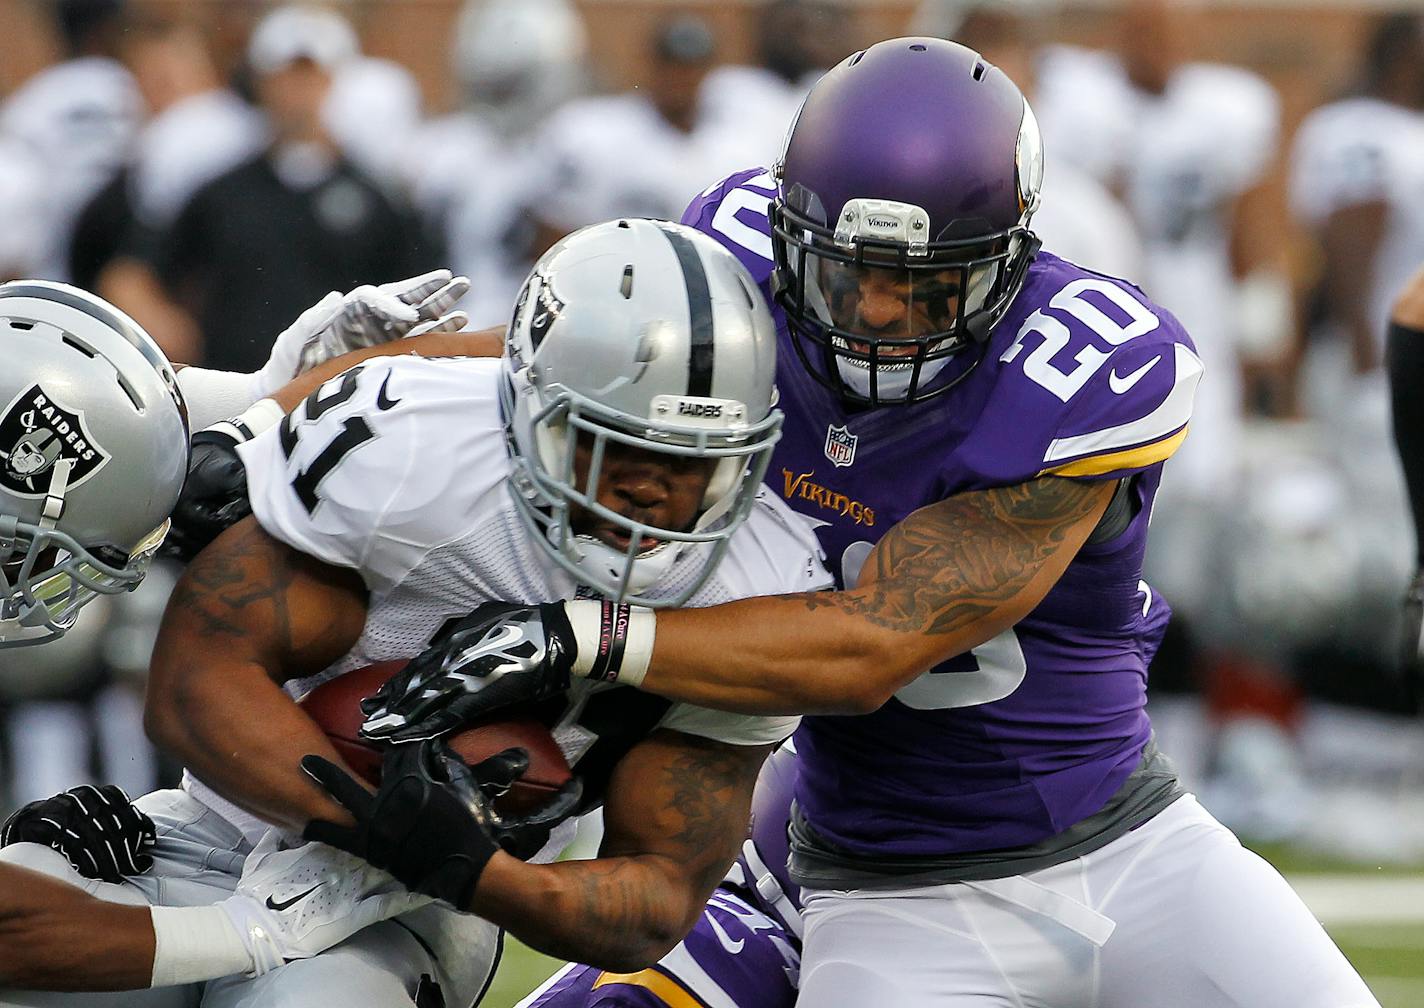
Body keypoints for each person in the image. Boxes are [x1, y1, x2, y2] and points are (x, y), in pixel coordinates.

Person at [366, 39, 1381, 1008]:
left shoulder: (1076, 371)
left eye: (926, 282)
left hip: (1133, 849)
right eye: (853, 272)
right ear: (793, 236)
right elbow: (551, 365)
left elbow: (872, 644)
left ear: (1009, 262)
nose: (882, 312)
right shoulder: (738, 279)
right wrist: (262, 400)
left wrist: (583, 637)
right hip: (891, 888)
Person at [2, 219, 826, 1005]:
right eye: (616, 445)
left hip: (416, 909)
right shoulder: (419, 445)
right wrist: (283, 902)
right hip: (221, 821)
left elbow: (653, 894)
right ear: (531, 411)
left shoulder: (764, 589)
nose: (650, 489)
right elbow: (196, 682)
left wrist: (465, 866)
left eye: (690, 463)